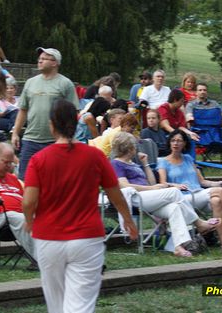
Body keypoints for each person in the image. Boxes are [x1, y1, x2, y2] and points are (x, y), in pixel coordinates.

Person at [22, 99, 137, 313]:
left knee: (56, 304)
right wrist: (128, 219)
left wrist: (29, 220)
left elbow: (28, 201)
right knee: (80, 305)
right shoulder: (94, 155)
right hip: (87, 238)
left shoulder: (38, 159)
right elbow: (115, 193)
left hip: (48, 237)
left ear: (51, 125)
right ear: (76, 124)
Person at [110, 131, 218, 257]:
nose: (136, 148)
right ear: (129, 148)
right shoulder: (116, 163)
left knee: (174, 208)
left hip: (147, 197)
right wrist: (152, 188)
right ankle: (199, 223)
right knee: (174, 191)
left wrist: (145, 164)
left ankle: (178, 247)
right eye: (134, 145)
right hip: (135, 198)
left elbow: (151, 182)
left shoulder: (133, 164)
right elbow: (125, 186)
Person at [157, 129, 222, 253]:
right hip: (183, 198)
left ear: (184, 144)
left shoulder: (188, 159)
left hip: (198, 194)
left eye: (179, 141)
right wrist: (175, 185)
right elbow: (162, 183)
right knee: (220, 192)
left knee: (216, 201)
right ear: (169, 143)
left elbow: (202, 182)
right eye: (173, 140)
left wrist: (218, 183)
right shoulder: (163, 161)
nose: (176, 143)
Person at [12, 47, 79, 179]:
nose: (40, 61)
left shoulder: (66, 84)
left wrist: (69, 137)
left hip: (54, 140)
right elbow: (23, 110)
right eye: (39, 58)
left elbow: (74, 113)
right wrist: (15, 133)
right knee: (25, 179)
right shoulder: (30, 82)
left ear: (55, 63)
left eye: (44, 59)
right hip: (30, 139)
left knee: (54, 179)